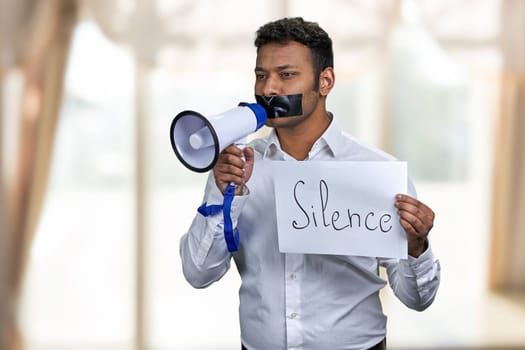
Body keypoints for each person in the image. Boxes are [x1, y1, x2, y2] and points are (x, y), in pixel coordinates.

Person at [180, 17, 440, 350]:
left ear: (325, 81)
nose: (269, 90)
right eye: (261, 75)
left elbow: (417, 299)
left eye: (286, 75)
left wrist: (417, 247)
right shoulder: (237, 168)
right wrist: (222, 193)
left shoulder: (378, 171)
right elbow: (198, 274)